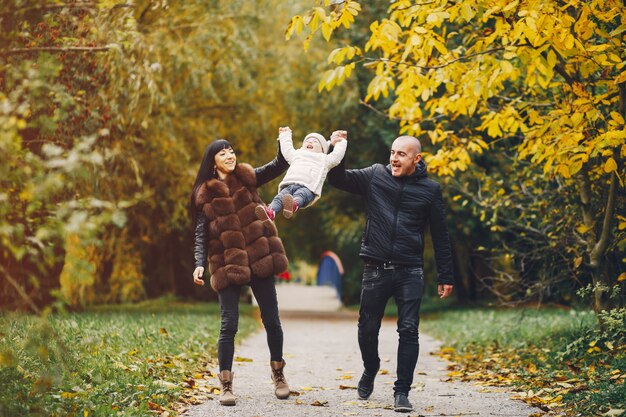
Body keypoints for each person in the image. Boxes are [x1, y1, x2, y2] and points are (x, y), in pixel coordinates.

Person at [327, 132, 454, 413]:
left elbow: (440, 235)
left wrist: (446, 275)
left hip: (410, 269)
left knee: (409, 329)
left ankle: (402, 392)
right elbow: (338, 179)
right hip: (376, 267)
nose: (394, 159)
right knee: (367, 328)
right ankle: (371, 367)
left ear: (416, 159)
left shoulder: (430, 190)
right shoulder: (375, 175)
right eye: (393, 152)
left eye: (401, 154)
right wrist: (337, 148)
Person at [190, 136, 292, 406]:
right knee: (229, 324)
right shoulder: (204, 194)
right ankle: (226, 384)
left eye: (232, 151)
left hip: (259, 256)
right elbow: (200, 234)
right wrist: (199, 263)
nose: (230, 156)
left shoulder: (247, 177)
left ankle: (278, 374)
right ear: (213, 162)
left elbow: (278, 164)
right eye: (223, 153)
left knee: (272, 319)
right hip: (227, 262)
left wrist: (285, 140)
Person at [255, 126, 347, 224]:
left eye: (315, 142)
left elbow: (337, 156)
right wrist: (285, 135)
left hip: (308, 188)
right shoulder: (297, 154)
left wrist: (341, 141)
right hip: (289, 185)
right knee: (279, 198)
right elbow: (287, 150)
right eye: (308, 141)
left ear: (323, 149)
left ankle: (293, 205)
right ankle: (270, 212)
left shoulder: (324, 159)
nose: (310, 142)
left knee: (301, 195)